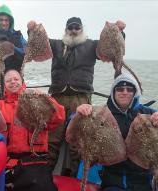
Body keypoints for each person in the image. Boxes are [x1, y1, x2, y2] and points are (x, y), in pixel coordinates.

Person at [74, 73, 158, 191]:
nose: (124, 92)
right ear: (113, 92)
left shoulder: (149, 115)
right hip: (114, 180)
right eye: (120, 89)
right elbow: (73, 127)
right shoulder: (101, 114)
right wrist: (80, 113)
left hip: (145, 178)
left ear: (135, 93)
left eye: (129, 89)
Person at [0, 69, 65, 191]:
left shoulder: (38, 100)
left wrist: (46, 99)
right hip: (4, 161)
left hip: (33, 161)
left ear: (22, 82)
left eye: (16, 79)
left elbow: (58, 117)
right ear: (4, 85)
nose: (13, 82)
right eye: (9, 80)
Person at [47, 16, 126, 177]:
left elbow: (109, 47)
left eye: (77, 27)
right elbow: (37, 42)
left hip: (81, 99)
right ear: (66, 30)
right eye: (71, 28)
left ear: (82, 29)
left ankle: (76, 178)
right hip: (57, 98)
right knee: (52, 140)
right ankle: (44, 176)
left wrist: (119, 32)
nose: (74, 30)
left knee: (79, 142)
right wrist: (32, 29)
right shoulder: (56, 45)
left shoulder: (92, 46)